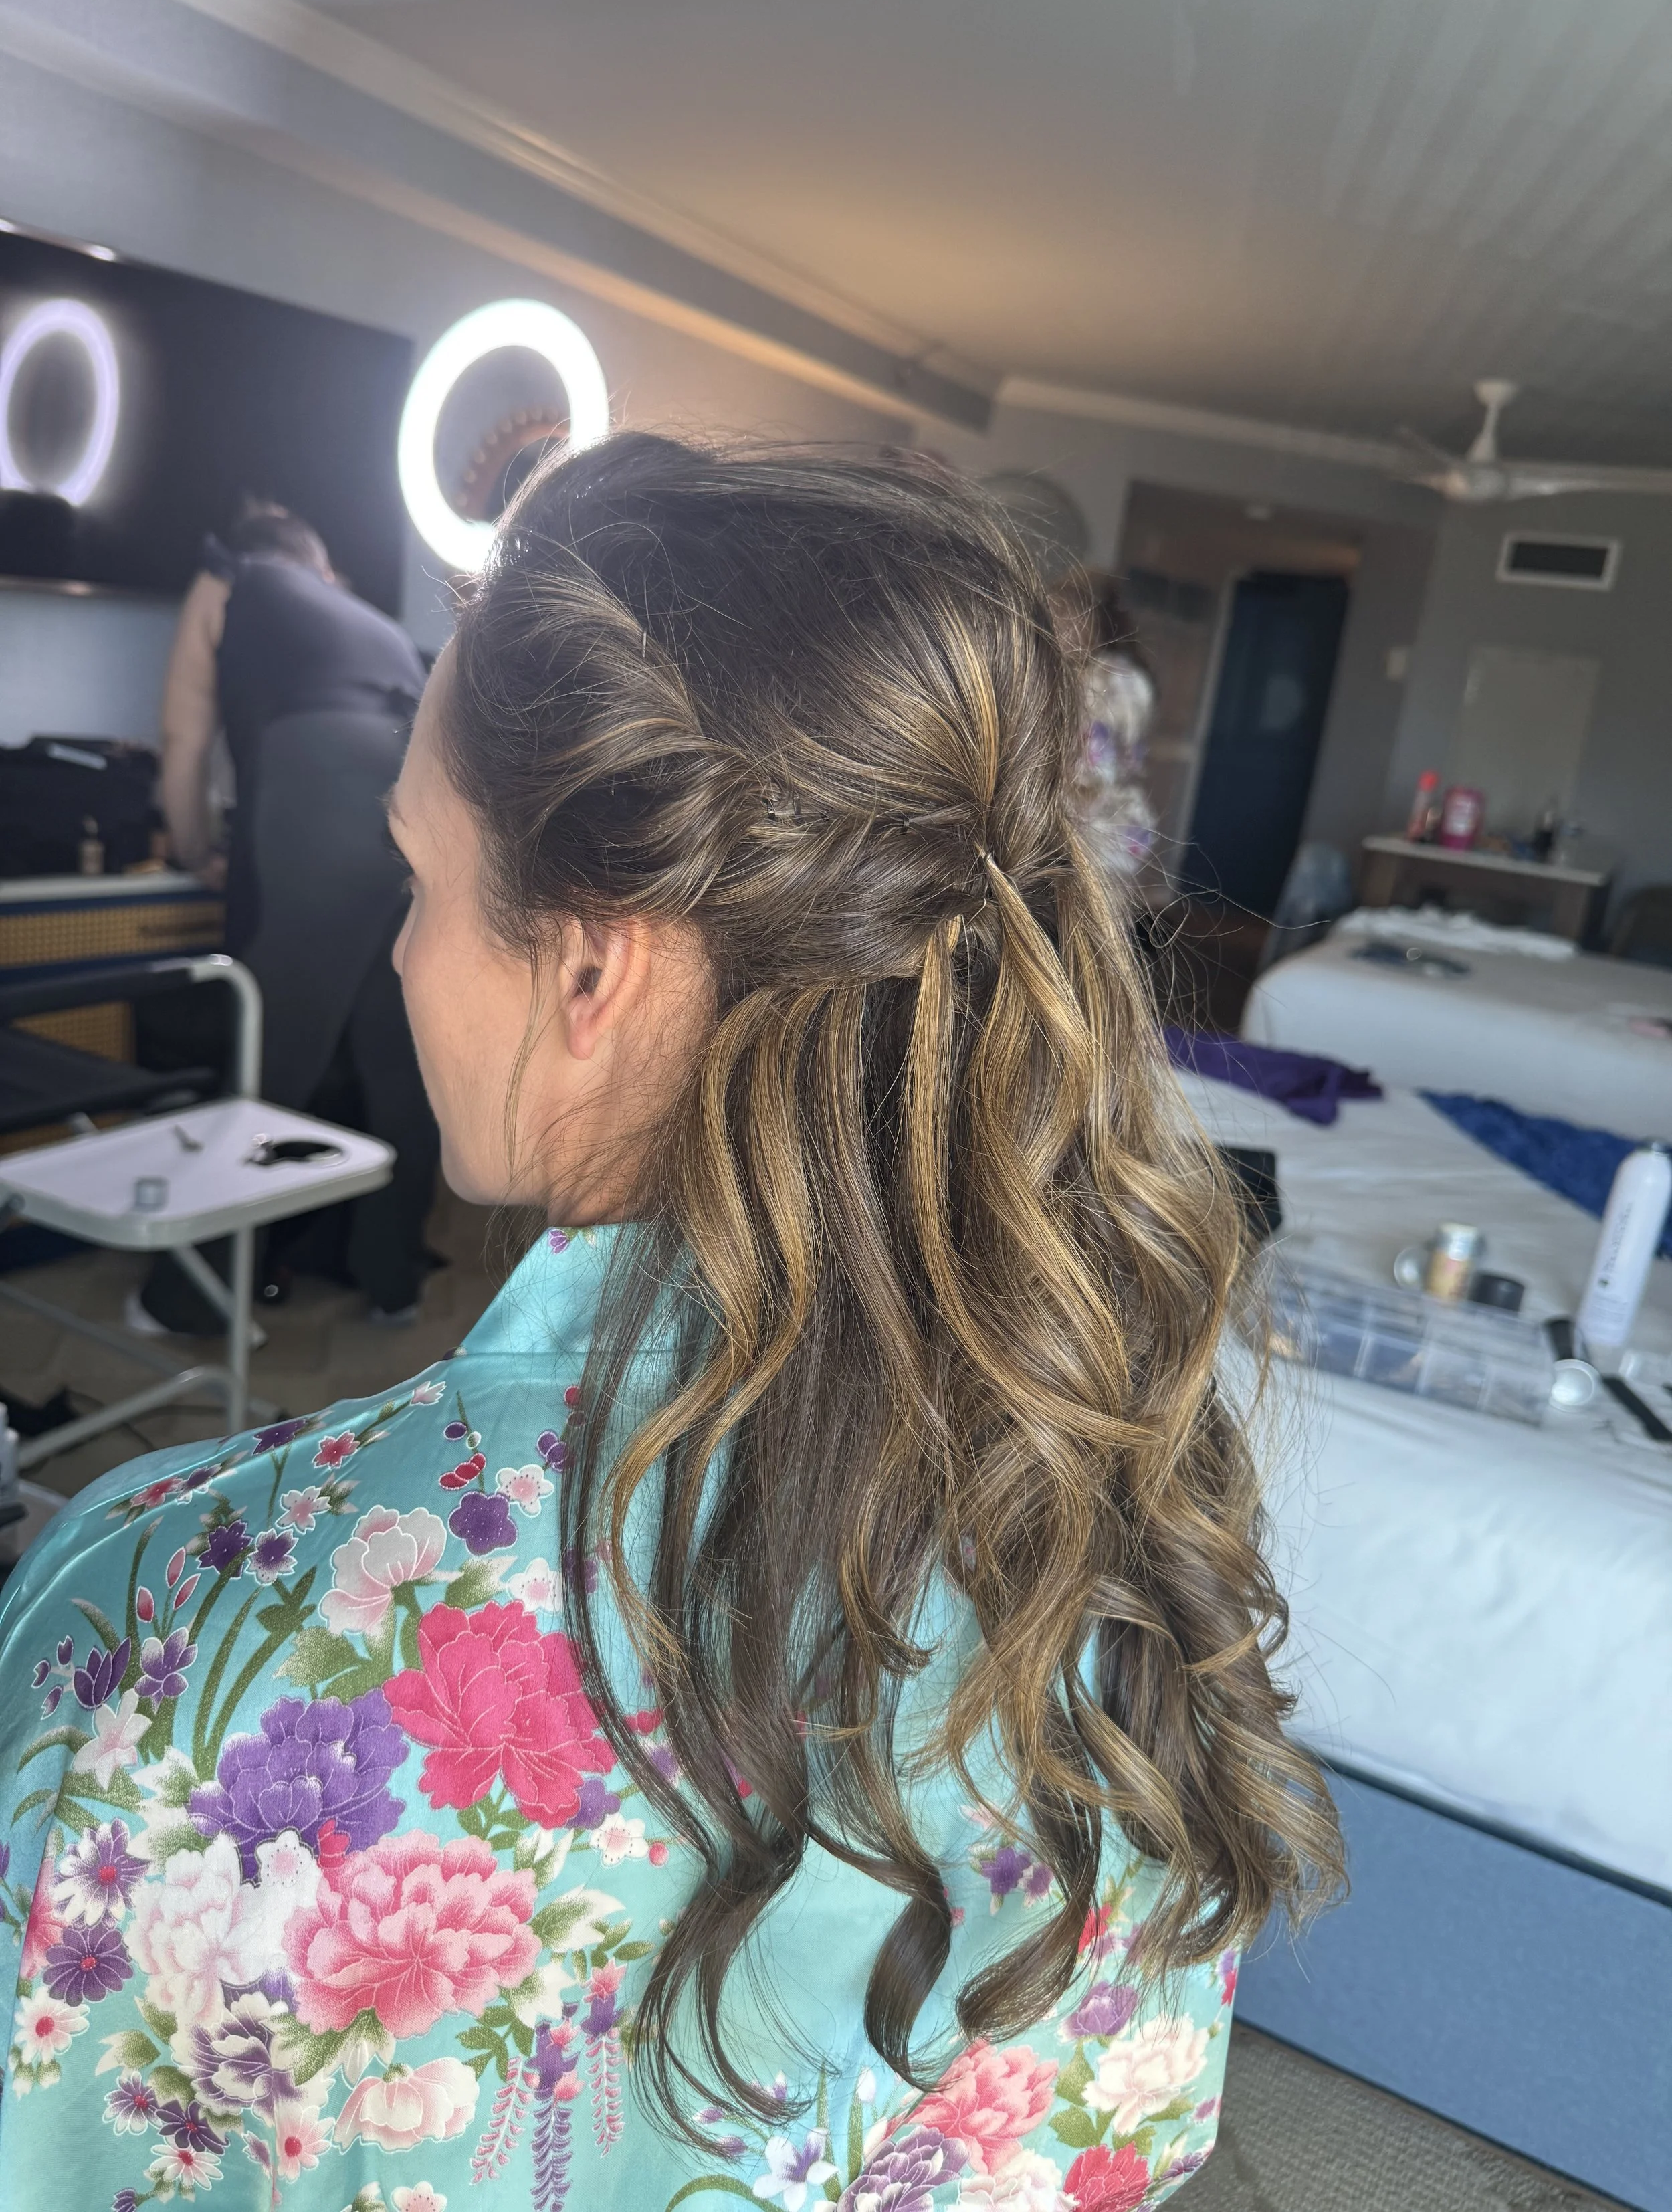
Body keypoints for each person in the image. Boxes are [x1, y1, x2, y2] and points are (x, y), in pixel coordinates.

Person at [0, 437, 1338, 2210]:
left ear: (589, 965)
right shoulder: (1106, 1512)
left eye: (415, 878)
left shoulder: (159, 1624)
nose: (398, 952)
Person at [152, 498, 438, 1323]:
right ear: (320, 567)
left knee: (269, 1059)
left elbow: (182, 741)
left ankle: (189, 1300)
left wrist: (190, 849)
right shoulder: (370, 620)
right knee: (400, 1063)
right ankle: (394, 1284)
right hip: (421, 790)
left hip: (319, 782)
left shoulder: (228, 573)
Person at [1053, 568, 1160, 888]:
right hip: (1086, 827)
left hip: (1096, 831)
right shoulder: (1081, 673)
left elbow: (1091, 768)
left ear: (1095, 621)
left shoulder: (1114, 678)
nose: (1052, 624)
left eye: (1063, 612)